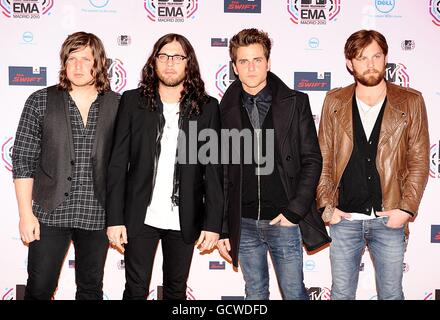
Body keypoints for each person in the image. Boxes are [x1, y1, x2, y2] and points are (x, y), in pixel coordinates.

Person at [106, 33, 223, 300]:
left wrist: (213, 223)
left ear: (188, 63)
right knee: (134, 290)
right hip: (140, 215)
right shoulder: (133, 101)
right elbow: (116, 164)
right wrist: (114, 218)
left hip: (185, 216)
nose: (170, 63)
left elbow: (214, 171)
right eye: (164, 56)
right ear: (154, 61)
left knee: (176, 291)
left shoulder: (206, 107)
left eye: (177, 57)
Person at [217, 28, 330, 300]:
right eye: (243, 61)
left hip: (283, 220)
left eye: (257, 60)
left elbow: (312, 160)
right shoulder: (223, 109)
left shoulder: (296, 102)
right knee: (254, 295)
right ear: (234, 67)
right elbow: (220, 173)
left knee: (294, 293)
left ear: (268, 62)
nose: (251, 67)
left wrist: (295, 211)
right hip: (242, 223)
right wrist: (223, 227)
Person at [316, 29, 430, 300]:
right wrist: (326, 206)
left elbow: (419, 159)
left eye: (376, 56)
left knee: (391, 294)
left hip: (390, 218)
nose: (370, 64)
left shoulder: (411, 101)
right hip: (345, 219)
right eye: (362, 57)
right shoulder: (334, 101)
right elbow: (323, 158)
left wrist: (406, 209)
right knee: (342, 294)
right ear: (349, 63)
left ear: (385, 58)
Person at [12, 31, 120, 300]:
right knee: (39, 289)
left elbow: (126, 166)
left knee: (91, 290)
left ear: (99, 63)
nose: (78, 66)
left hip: (98, 214)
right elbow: (23, 160)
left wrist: (121, 218)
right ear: (64, 63)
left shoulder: (118, 104)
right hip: (49, 214)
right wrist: (26, 214)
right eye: (72, 59)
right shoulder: (40, 100)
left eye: (86, 59)